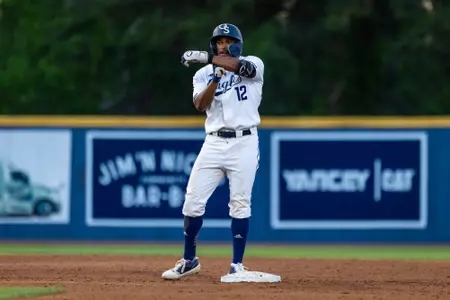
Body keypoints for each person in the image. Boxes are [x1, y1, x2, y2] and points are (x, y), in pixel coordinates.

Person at [162, 23, 264, 280]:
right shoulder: (204, 74)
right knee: (192, 201)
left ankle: (237, 265)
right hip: (214, 142)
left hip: (244, 140)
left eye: (228, 41)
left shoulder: (254, 63)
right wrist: (215, 77)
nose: (223, 45)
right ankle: (189, 260)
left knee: (240, 203)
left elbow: (245, 69)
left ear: (237, 43)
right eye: (219, 41)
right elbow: (200, 104)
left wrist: (208, 59)